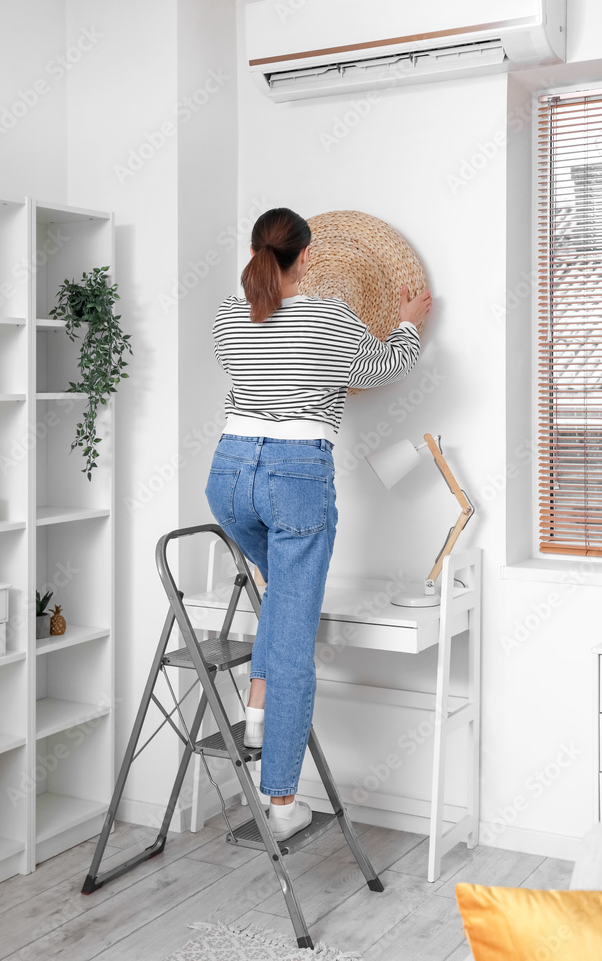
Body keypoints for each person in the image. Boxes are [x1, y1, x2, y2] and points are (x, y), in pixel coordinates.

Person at [205, 207, 432, 841]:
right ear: (308, 257)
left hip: (227, 477)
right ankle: (280, 801)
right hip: (294, 478)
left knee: (280, 592)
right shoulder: (330, 316)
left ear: (256, 251)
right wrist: (409, 326)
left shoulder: (229, 316)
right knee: (295, 642)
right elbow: (377, 371)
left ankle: (255, 706)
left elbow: (260, 366)